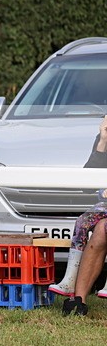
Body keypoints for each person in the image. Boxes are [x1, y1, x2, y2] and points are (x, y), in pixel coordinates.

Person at [60, 115, 107, 315]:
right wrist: (103, 141)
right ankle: (77, 299)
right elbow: (85, 185)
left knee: (103, 230)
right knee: (99, 232)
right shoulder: (103, 139)